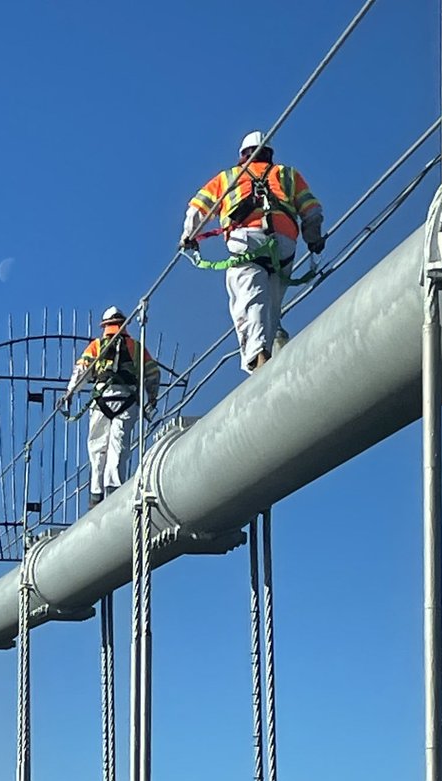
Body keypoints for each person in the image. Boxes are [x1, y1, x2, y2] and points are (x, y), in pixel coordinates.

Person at [180, 131, 324, 372]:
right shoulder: (287, 174)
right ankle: (272, 342)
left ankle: (258, 357)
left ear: (242, 156)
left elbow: (197, 210)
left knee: (247, 297)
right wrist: (314, 239)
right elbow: (312, 210)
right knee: (272, 303)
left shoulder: (228, 177)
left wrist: (188, 237)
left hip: (247, 239)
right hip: (284, 244)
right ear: (269, 154)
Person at [65, 306, 161, 508]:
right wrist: (152, 396)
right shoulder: (137, 347)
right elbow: (152, 373)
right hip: (127, 401)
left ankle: (96, 494)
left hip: (102, 401)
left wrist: (70, 393)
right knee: (119, 446)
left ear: (105, 326)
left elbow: (81, 371)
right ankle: (113, 491)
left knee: (97, 447)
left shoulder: (96, 346)